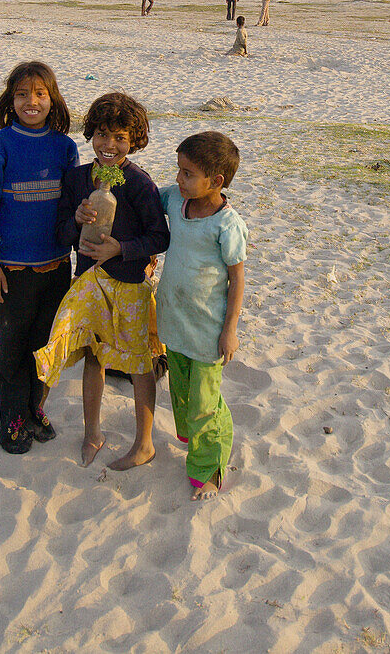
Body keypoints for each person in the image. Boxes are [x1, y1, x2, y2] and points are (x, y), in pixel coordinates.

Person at [35, 92, 170, 470]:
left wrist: (121, 249)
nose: (110, 145)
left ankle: (144, 442)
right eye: (103, 134)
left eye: (121, 139)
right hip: (89, 281)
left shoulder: (140, 184)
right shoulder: (78, 179)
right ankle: (92, 432)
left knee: (140, 361)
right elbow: (62, 233)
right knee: (94, 355)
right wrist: (76, 220)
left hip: (129, 284)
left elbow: (160, 237)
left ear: (135, 141)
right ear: (91, 134)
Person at [0, 62, 79, 454]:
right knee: (12, 347)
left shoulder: (65, 148)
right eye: (21, 94)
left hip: (56, 266)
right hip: (12, 270)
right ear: (10, 99)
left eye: (39, 94)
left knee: (43, 346)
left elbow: (71, 206)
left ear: (53, 100)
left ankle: (34, 410)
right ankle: (12, 421)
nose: (30, 101)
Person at [156, 131, 248, 500]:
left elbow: (237, 278)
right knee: (181, 391)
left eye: (188, 173)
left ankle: (209, 469)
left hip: (207, 330)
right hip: (173, 320)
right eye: (178, 170)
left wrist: (230, 331)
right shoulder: (176, 200)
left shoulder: (227, 225)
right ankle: (193, 436)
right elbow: (145, 198)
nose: (179, 179)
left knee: (205, 405)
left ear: (217, 181)